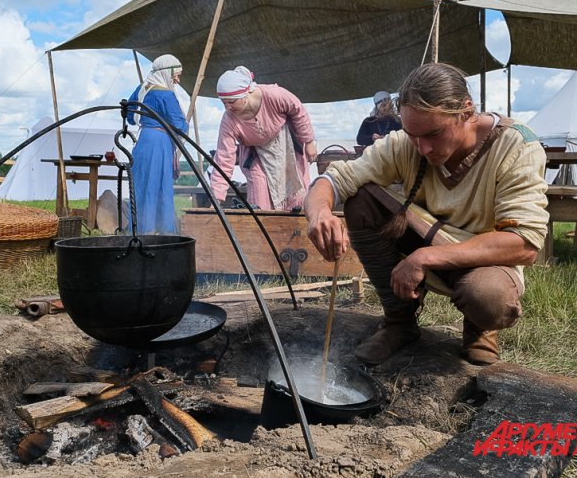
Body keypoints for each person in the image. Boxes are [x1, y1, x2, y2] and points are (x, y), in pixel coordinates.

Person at [305, 62, 549, 366]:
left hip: (484, 262)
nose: (422, 148)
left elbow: (525, 243)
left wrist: (424, 258)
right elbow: (333, 180)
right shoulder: (406, 144)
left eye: (434, 133)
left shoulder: (517, 145)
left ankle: (480, 329)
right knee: (362, 201)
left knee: (488, 298)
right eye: (412, 134)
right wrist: (319, 214)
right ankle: (399, 323)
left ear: (466, 111)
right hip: (425, 236)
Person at [210, 66, 317, 210]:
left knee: (295, 192)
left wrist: (308, 142)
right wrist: (217, 197)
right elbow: (224, 158)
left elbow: (298, 111)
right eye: (224, 103)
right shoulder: (229, 121)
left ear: (244, 95)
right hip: (255, 155)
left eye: (231, 102)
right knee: (259, 199)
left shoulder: (273, 95)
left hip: (286, 147)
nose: (227, 107)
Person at [126, 54, 188, 234]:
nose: (177, 79)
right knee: (159, 186)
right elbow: (179, 124)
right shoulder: (165, 94)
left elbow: (129, 113)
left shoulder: (143, 88)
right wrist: (184, 126)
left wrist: (142, 121)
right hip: (159, 143)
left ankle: (139, 230)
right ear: (166, 73)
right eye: (176, 75)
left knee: (142, 186)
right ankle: (161, 232)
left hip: (144, 140)